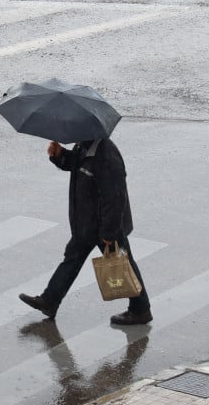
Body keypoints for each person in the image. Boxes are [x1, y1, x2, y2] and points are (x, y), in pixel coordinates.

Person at [18, 138, 151, 324]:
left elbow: (115, 198)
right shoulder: (85, 147)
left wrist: (109, 233)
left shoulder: (106, 155)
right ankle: (50, 301)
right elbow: (76, 165)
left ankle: (141, 310)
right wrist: (60, 155)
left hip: (105, 226)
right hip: (86, 224)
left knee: (123, 265)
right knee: (72, 259)